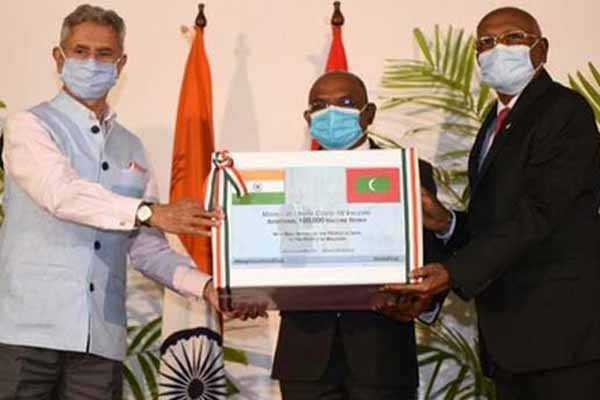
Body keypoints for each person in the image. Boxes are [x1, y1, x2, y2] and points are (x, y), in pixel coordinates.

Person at [0, 5, 265, 399]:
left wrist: (208, 287)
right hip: (27, 335)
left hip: (100, 342)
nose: (92, 62)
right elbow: (61, 193)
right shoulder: (29, 126)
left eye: (104, 53)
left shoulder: (131, 146)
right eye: (80, 51)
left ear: (120, 64)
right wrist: (148, 212)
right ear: (58, 57)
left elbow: (145, 247)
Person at [384, 7, 600, 400]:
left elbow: (540, 214)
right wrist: (446, 222)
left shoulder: (564, 110)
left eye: (513, 37)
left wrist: (451, 272)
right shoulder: (495, 120)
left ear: (541, 50)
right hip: (512, 342)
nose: (498, 48)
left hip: (562, 339)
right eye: (486, 42)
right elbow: (498, 223)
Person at [271, 70, 447, 400]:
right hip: (304, 358)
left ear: (369, 114)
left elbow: (430, 251)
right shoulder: (281, 177)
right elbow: (271, 252)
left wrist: (423, 300)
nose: (331, 113)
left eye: (345, 102)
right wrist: (247, 288)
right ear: (308, 118)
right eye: (319, 106)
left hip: (382, 355)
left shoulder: (409, 172)